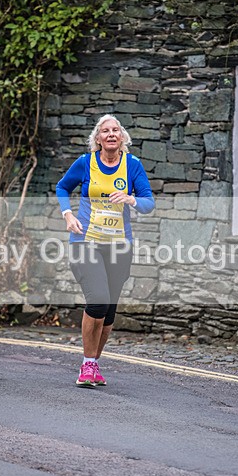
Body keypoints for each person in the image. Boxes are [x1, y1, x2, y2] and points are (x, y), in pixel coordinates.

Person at [56, 114, 155, 387]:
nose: (111, 134)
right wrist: (67, 214)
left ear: (121, 137)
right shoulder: (86, 163)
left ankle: (93, 365)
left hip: (119, 246)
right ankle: (87, 365)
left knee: (108, 311)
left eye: (115, 130)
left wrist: (131, 198)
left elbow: (149, 203)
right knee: (98, 299)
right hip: (85, 242)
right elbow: (62, 187)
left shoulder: (132, 165)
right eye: (105, 131)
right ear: (97, 139)